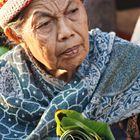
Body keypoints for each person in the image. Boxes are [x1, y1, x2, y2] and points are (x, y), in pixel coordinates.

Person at [0, 0, 140, 139]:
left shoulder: (128, 62)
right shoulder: (4, 86)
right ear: (16, 35)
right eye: (44, 23)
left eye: (73, 11)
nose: (66, 32)